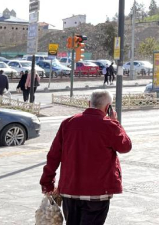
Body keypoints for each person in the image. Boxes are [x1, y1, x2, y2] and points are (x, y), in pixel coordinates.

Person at [40, 90, 132, 225]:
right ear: (108, 108)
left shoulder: (68, 123)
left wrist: (47, 183)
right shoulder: (109, 126)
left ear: (89, 103)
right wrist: (116, 123)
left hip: (70, 190)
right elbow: (126, 146)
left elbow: (53, 155)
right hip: (98, 193)